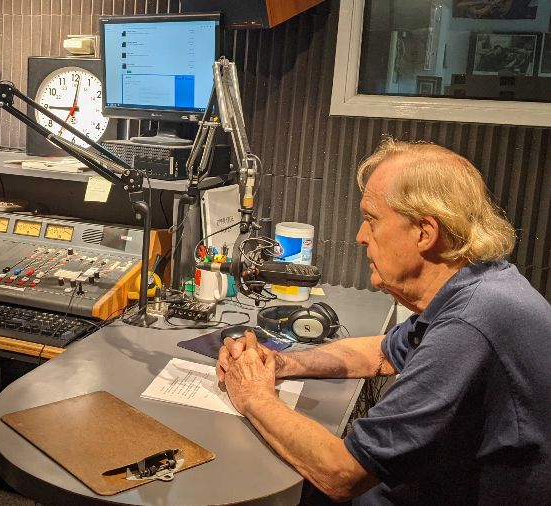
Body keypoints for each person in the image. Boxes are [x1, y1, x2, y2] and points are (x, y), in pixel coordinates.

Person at [216, 138, 551, 504]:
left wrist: (253, 395)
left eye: (372, 220)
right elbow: (380, 353)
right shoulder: (481, 286)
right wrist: (283, 363)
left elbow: (341, 474)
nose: (360, 237)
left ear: (424, 232)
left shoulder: (470, 326)